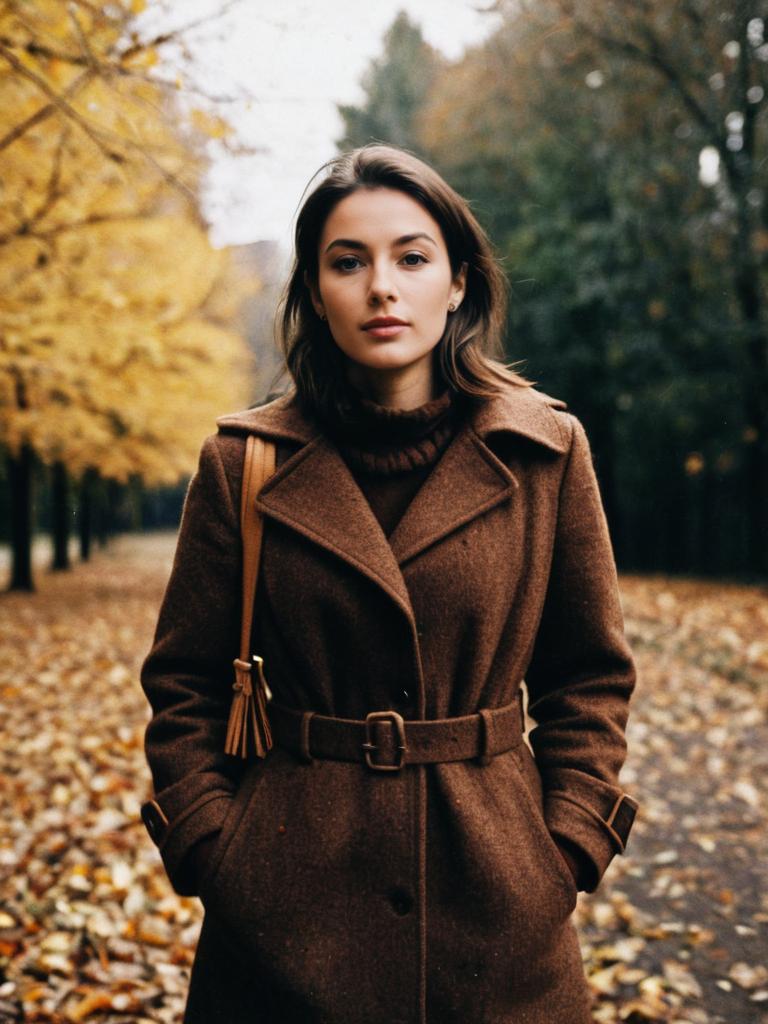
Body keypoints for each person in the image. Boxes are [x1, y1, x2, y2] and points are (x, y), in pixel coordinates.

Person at [139, 143, 638, 1024]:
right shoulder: (241, 464)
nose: (381, 288)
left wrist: (563, 849)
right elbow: (184, 683)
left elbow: (590, 677)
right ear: (313, 290)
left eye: (411, 258)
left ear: (458, 283)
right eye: (348, 262)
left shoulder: (546, 452)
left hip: (500, 908)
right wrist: (217, 849)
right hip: (283, 911)